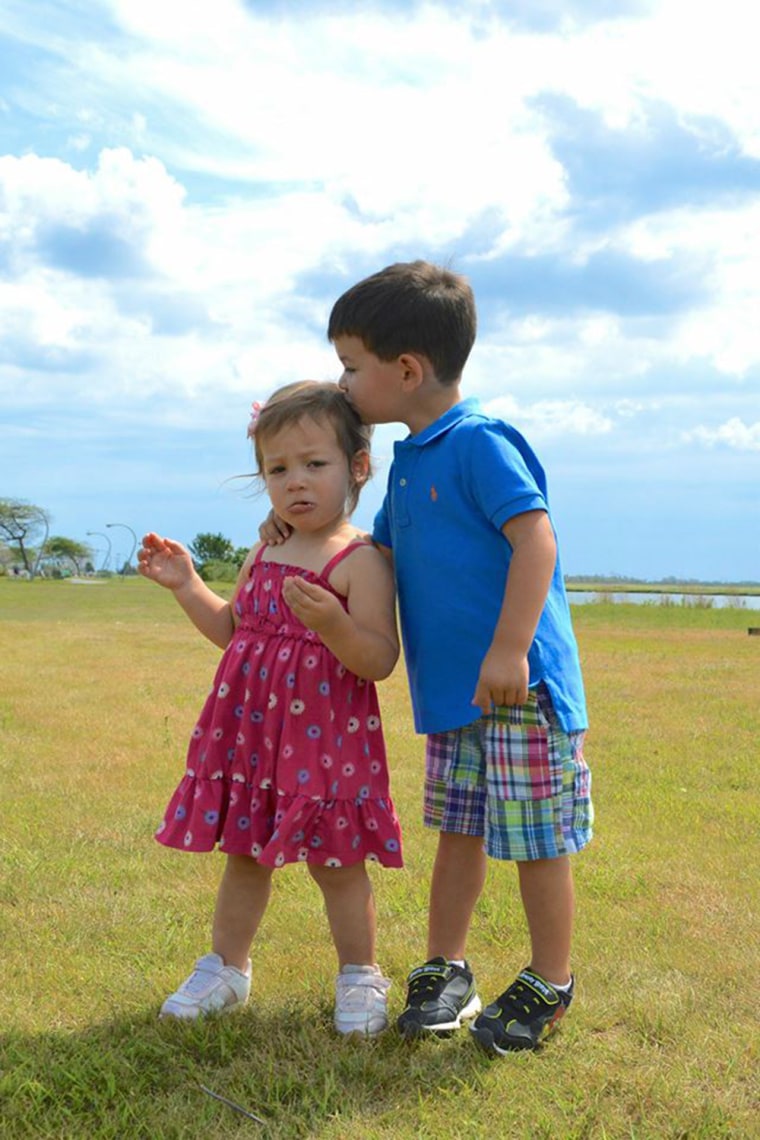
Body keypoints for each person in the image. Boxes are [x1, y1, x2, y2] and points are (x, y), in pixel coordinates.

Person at [263, 262, 593, 1055]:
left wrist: (511, 648)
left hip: (520, 689)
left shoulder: (479, 442)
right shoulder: (411, 460)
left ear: (405, 370)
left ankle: (551, 979)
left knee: (536, 841)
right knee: (460, 832)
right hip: (453, 694)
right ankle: (447, 967)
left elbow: (535, 538)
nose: (342, 383)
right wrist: (299, 536)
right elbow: (384, 546)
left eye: (350, 365)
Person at [138, 380, 403, 1036]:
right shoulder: (265, 549)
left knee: (337, 861)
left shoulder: (359, 559)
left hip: (325, 744)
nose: (295, 482)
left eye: (315, 464)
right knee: (245, 855)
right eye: (277, 469)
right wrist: (187, 585)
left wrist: (335, 626)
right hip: (252, 737)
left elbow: (379, 658)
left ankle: (360, 974)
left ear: (358, 467)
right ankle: (227, 967)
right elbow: (234, 630)